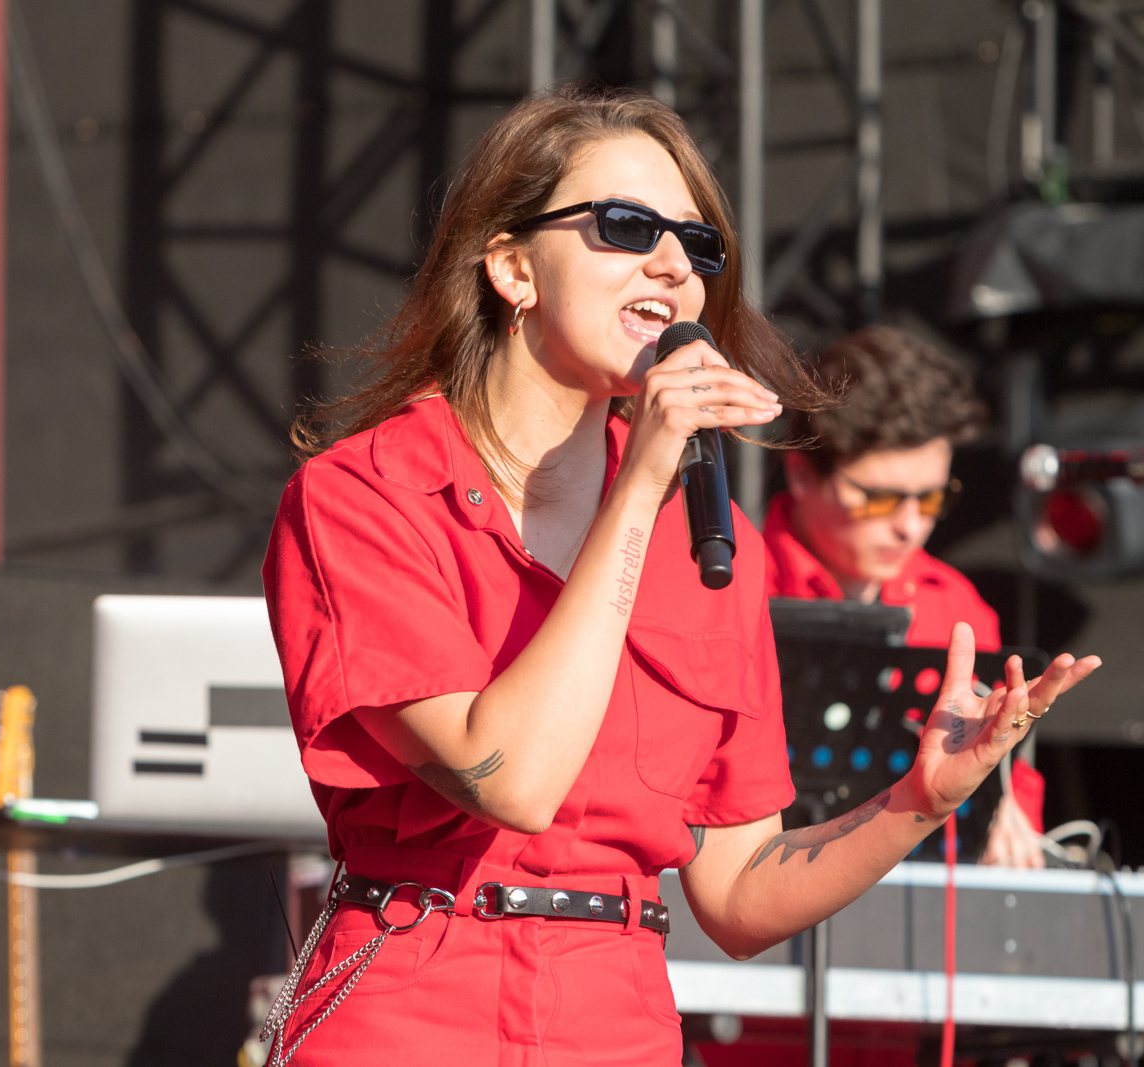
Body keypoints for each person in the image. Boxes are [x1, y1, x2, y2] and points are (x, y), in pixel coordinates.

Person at [261, 86, 1099, 1064]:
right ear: (510, 264)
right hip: (416, 1000)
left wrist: (920, 796)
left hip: (617, 1015)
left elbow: (741, 894)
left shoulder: (709, 542)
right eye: (625, 227)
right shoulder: (367, 494)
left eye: (698, 245)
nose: (674, 265)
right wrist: (642, 481)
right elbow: (512, 778)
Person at [766, 326, 1047, 866]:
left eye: (931, 498)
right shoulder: (727, 581)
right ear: (801, 474)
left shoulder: (956, 605)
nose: (910, 526)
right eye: (879, 499)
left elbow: (1015, 777)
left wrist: (1001, 806)